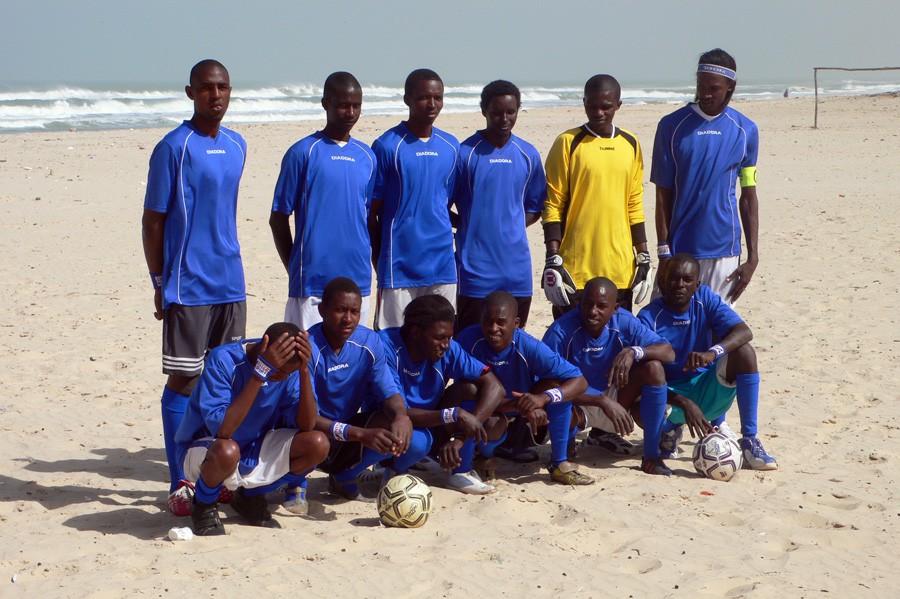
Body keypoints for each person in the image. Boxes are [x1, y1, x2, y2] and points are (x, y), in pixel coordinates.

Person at [142, 59, 248, 516]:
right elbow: (152, 220)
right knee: (184, 380)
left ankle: (211, 477)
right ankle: (178, 480)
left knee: (222, 384)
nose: (216, 95)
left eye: (223, 87)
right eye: (207, 88)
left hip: (232, 283)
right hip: (189, 286)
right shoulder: (172, 147)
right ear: (190, 92)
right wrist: (159, 281)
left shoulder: (239, 145)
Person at [173, 322, 329, 535]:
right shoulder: (224, 360)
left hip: (253, 446)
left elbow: (307, 424)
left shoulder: (291, 368)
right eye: (280, 372)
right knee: (228, 450)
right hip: (206, 449)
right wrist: (261, 373)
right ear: (263, 346)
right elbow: (224, 431)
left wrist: (302, 371)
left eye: (288, 372)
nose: (283, 377)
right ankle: (203, 504)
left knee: (317, 444)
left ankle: (249, 497)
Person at [638, 254, 777, 469]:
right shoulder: (648, 316)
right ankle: (669, 429)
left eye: (687, 280)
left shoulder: (705, 299)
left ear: (697, 284)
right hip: (669, 397)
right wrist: (684, 402)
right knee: (646, 386)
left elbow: (744, 331)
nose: (680, 285)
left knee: (745, 352)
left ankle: (750, 439)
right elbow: (642, 376)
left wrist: (712, 353)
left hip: (706, 390)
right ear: (662, 281)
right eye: (673, 278)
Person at [301, 277, 429, 507]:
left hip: (347, 430)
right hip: (309, 432)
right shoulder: (308, 347)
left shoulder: (369, 341)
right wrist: (359, 434)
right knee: (313, 439)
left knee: (407, 435)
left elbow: (388, 391)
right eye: (340, 310)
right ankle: (294, 485)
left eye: (354, 311)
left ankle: (345, 477)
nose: (348, 319)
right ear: (322, 310)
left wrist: (401, 415)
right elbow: (304, 418)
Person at [651, 48, 760, 305]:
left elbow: (749, 195)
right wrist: (664, 251)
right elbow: (662, 195)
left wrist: (752, 258)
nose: (705, 94)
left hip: (724, 252)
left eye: (713, 88)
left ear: (730, 87)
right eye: (701, 86)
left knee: (718, 333)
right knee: (666, 332)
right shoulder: (671, 126)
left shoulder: (746, 131)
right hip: (680, 250)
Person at [270, 72, 376, 329]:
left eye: (356, 105)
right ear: (325, 103)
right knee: (306, 360)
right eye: (342, 105)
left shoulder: (368, 157)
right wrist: (295, 266)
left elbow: (368, 217)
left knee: (352, 360)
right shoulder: (302, 152)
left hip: (357, 279)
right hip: (312, 282)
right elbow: (278, 218)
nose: (350, 112)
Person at [542, 74, 651, 318]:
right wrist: (552, 258)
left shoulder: (630, 144)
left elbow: (634, 204)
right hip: (574, 269)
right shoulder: (568, 142)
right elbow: (553, 203)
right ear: (583, 103)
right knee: (570, 346)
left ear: (618, 106)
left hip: (620, 268)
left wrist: (643, 256)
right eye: (592, 106)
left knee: (616, 345)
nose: (598, 112)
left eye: (606, 107)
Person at [543, 278, 676, 475]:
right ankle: (565, 448)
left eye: (601, 306)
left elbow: (668, 353)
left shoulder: (624, 321)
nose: (592, 311)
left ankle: (651, 457)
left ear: (615, 308)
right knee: (556, 397)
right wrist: (600, 401)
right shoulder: (561, 330)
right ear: (579, 302)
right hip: (578, 403)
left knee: (654, 368)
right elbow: (546, 384)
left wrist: (634, 352)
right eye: (587, 304)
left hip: (617, 396)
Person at [457, 291, 592, 484]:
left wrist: (541, 399)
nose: (493, 328)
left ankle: (559, 463)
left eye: (501, 322)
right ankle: (482, 457)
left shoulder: (528, 346)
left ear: (516, 323)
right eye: (487, 321)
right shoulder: (468, 340)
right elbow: (461, 390)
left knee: (557, 389)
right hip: (490, 408)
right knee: (472, 396)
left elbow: (579, 381)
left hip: (527, 409)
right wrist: (519, 405)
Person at [379, 294, 506, 493]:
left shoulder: (448, 348)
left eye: (449, 337)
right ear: (415, 332)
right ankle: (394, 472)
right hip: (389, 423)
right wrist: (453, 414)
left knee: (470, 390)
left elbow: (496, 386)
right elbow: (400, 413)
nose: (446, 345)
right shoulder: (385, 347)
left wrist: (462, 435)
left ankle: (461, 472)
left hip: (432, 422)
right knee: (418, 442)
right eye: (439, 338)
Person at [451, 80, 546, 331]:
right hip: (475, 273)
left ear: (518, 110)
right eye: (496, 112)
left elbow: (535, 207)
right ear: (484, 111)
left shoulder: (528, 154)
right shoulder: (465, 154)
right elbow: (441, 205)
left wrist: (512, 225)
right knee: (471, 347)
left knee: (511, 346)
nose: (504, 118)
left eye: (510, 112)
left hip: (517, 272)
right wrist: (465, 224)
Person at [369, 69, 459, 330]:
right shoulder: (387, 145)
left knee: (439, 342)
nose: (432, 104)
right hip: (400, 265)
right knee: (394, 343)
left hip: (442, 264)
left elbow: (444, 202)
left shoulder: (451, 147)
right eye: (423, 97)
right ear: (407, 99)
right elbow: (372, 212)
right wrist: (380, 259)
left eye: (438, 97)